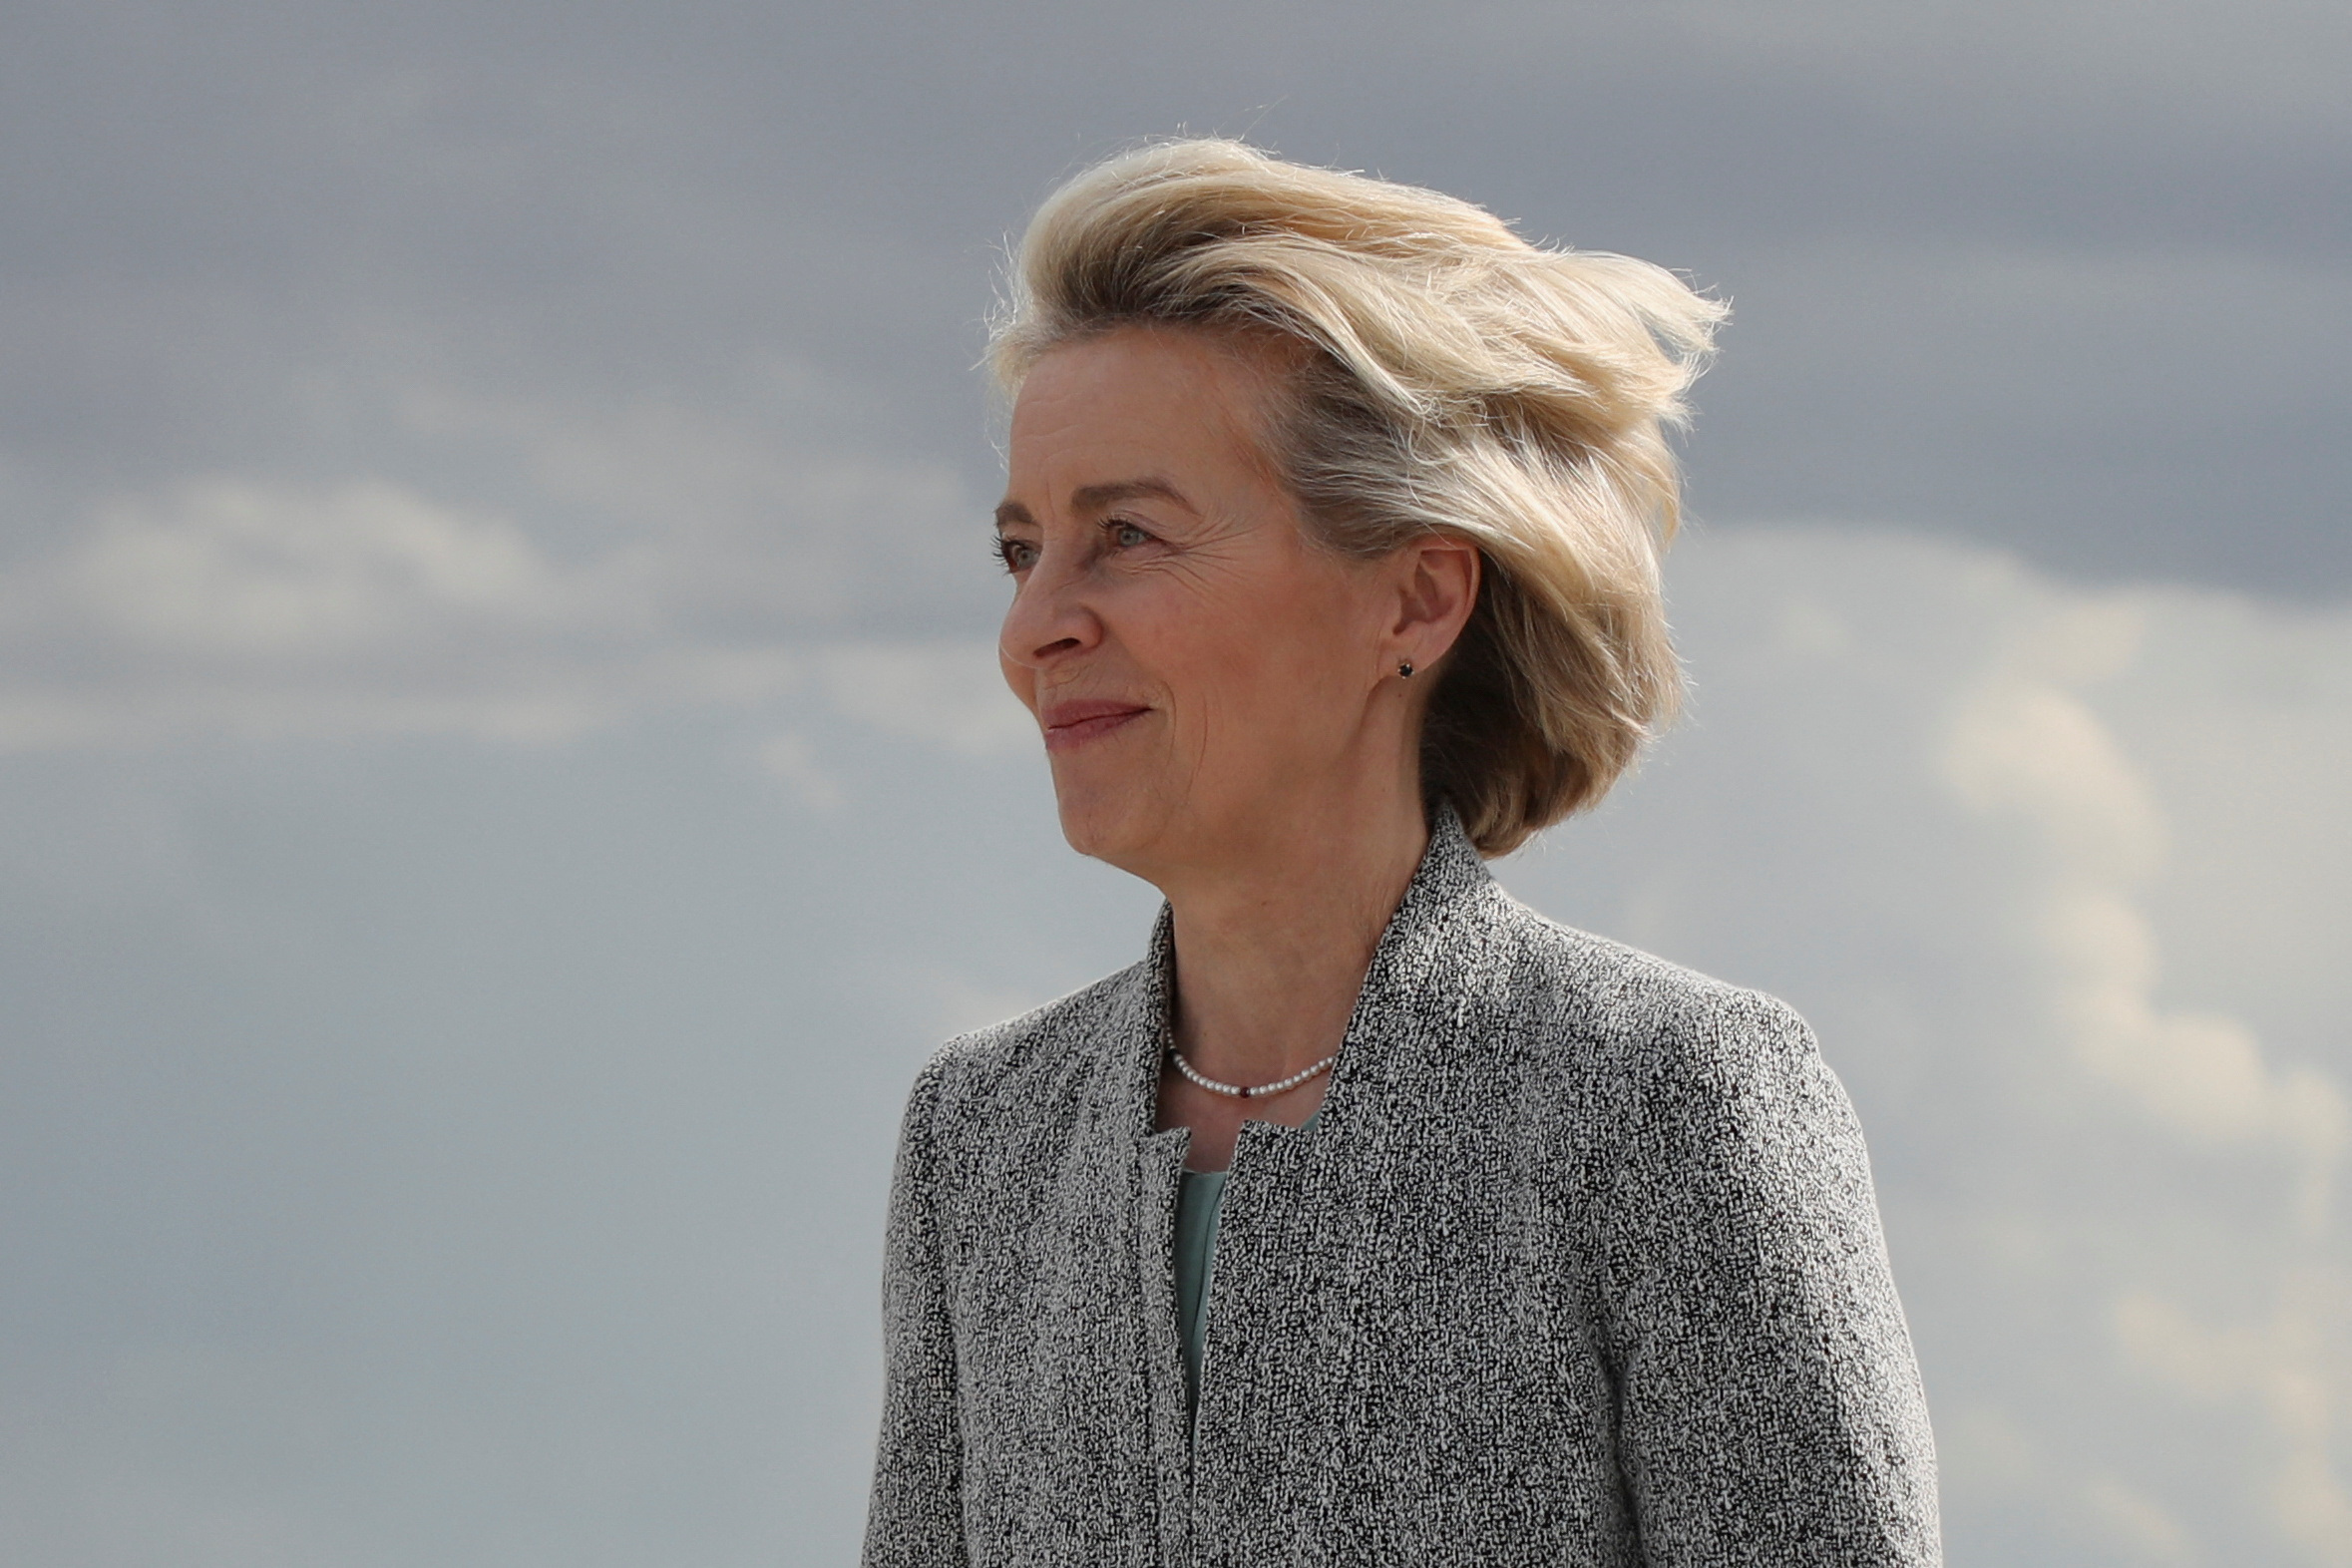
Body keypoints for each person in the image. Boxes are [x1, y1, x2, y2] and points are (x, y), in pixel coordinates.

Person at [863, 139, 1940, 1567]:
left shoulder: (1667, 1103)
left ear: (1416, 601)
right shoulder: (983, 1138)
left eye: (1127, 534)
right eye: (1021, 552)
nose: (1035, 628)